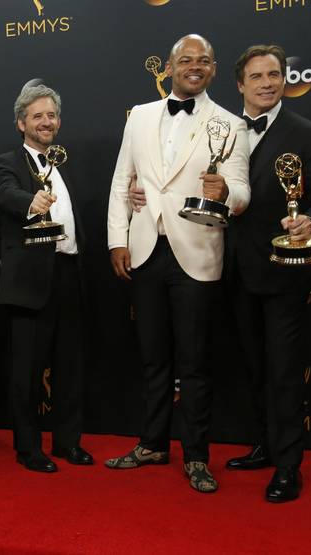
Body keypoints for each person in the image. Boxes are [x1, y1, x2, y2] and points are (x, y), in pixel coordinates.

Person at [105, 34, 250, 493]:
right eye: (186, 60)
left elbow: (243, 191)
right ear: (169, 67)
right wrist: (117, 240)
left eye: (203, 60)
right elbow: (120, 182)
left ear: (213, 68)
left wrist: (225, 193)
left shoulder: (231, 124)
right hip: (146, 249)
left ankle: (196, 455)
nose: (194, 66)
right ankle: (151, 443)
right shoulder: (140, 116)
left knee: (195, 362)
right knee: (152, 358)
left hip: (198, 252)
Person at [224, 45, 311, 501]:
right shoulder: (224, 132)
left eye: (275, 74)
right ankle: (265, 446)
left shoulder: (307, 133)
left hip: (285, 271)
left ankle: (289, 467)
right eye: (257, 76)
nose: (268, 82)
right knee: (253, 366)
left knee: (284, 370)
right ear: (240, 84)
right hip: (233, 270)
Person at [0, 84, 92, 473]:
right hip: (30, 281)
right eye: (37, 116)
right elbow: (3, 192)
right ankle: (28, 448)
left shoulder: (65, 163)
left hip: (70, 274)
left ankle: (68, 443)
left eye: (51, 115)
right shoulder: (8, 162)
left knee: (70, 367)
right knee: (27, 372)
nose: (46, 122)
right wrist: (27, 201)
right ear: (21, 123)